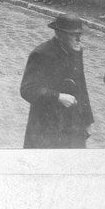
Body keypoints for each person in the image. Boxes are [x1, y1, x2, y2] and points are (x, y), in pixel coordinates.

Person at [20, 13, 94, 148]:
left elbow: (81, 85)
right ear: (60, 35)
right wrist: (58, 97)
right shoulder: (41, 54)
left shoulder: (77, 50)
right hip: (46, 124)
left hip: (72, 122)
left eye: (80, 35)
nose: (78, 39)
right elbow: (27, 89)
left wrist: (87, 120)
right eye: (73, 35)